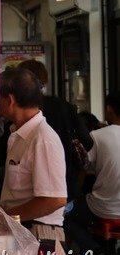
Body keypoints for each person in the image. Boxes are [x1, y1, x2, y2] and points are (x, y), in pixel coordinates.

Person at [0, 67, 67, 245]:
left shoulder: (43, 138)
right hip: (20, 229)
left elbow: (55, 199)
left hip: (39, 233)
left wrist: (6, 217)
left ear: (10, 100)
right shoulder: (18, 134)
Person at [18, 59, 93, 202]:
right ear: (44, 81)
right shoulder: (64, 107)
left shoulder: (19, 108)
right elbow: (87, 141)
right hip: (64, 183)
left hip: (26, 189)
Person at [66, 92, 120, 255]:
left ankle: (92, 247)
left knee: (63, 214)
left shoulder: (97, 136)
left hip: (105, 207)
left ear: (109, 109)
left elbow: (84, 165)